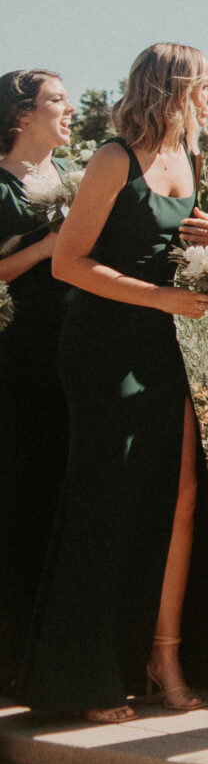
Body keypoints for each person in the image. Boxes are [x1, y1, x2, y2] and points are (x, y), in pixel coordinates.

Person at [10, 45, 208, 721]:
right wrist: (161, 300)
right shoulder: (112, 158)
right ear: (175, 88)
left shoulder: (190, 159)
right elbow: (70, 264)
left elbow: (170, 247)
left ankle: (161, 654)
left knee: (179, 494)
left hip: (162, 344)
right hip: (104, 348)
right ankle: (84, 676)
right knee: (107, 502)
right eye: (205, 86)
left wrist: (207, 235)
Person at [0, 70, 78, 676]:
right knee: (26, 486)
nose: (70, 107)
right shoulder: (2, 186)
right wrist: (50, 245)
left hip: (76, 342)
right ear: (22, 115)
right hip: (20, 352)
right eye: (57, 99)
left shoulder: (70, 177)